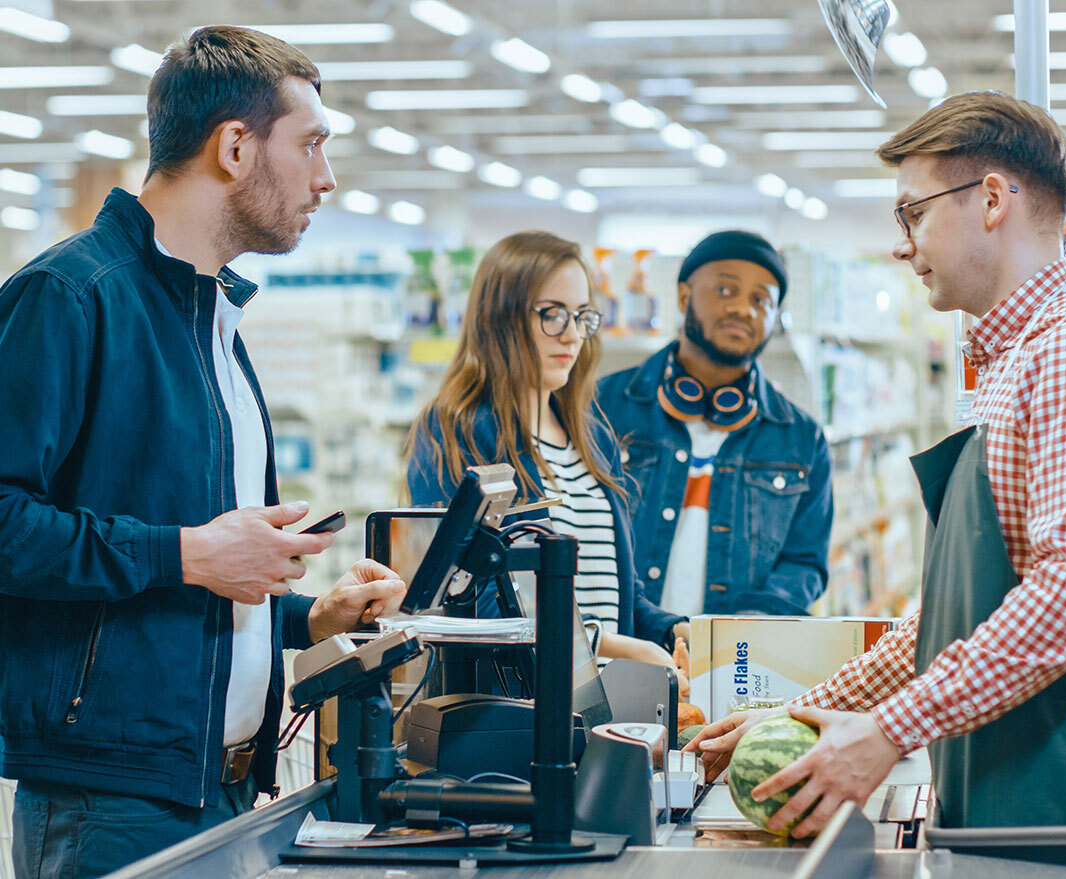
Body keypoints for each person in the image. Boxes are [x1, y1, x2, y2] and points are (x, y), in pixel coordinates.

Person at [687, 91, 1066, 835]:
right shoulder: (1018, 363)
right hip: (1015, 784)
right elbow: (955, 617)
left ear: (990, 200)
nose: (901, 242)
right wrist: (796, 714)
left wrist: (890, 731)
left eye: (912, 212)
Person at [0, 26, 407, 878]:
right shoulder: (70, 297)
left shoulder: (212, 318)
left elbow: (183, 587)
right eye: (311, 146)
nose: (326, 178)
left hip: (217, 790)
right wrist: (192, 551)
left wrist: (304, 619)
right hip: (108, 801)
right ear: (233, 146)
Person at [407, 231, 687, 666]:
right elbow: (461, 597)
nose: (572, 335)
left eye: (581, 315)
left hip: (608, 709)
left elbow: (617, 592)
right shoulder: (457, 429)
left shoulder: (593, 436)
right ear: (499, 318)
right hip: (518, 709)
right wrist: (602, 645)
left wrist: (671, 630)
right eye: (552, 315)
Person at [596, 230, 832, 617]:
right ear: (684, 296)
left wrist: (747, 629)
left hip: (734, 662)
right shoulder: (602, 407)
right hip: (616, 651)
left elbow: (805, 562)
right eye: (725, 290)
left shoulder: (802, 438)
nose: (744, 309)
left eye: (761, 300)